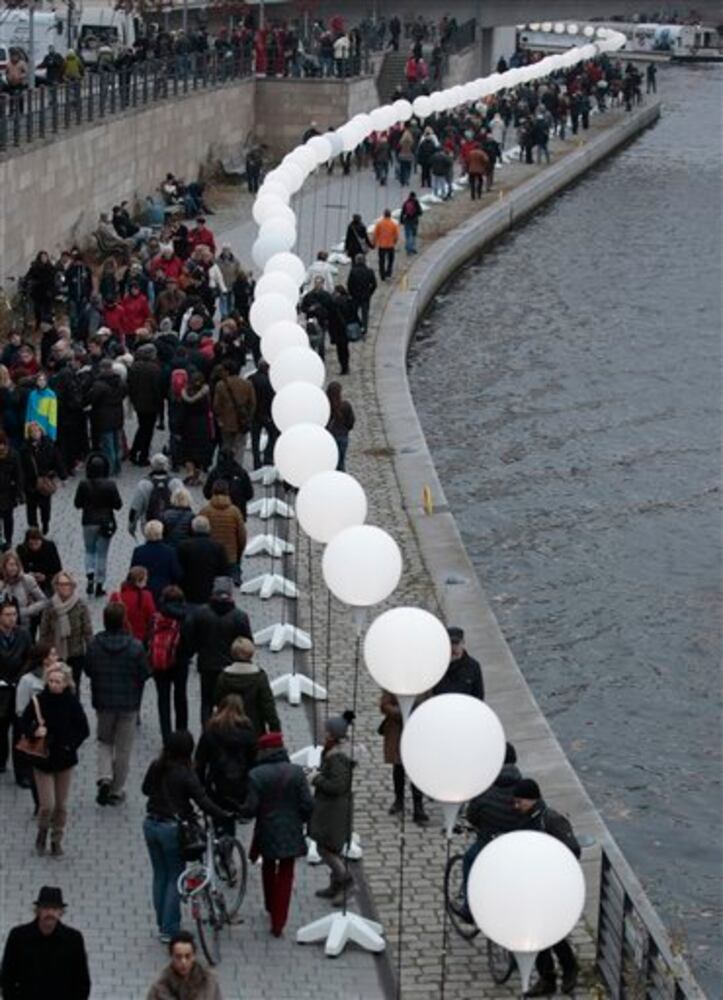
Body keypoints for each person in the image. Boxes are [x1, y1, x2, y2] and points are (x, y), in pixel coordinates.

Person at [142, 731, 232, 943]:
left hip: (151, 824)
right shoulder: (185, 773)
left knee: (160, 875)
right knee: (175, 877)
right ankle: (170, 929)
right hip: (172, 828)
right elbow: (203, 801)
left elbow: (145, 789)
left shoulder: (156, 766)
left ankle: (162, 922)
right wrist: (224, 814)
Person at [240, 730, 313, 936]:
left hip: (266, 828)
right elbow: (307, 804)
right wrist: (302, 819)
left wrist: (240, 811)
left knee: (268, 866)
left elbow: (251, 808)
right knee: (286, 873)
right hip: (291, 828)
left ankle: (270, 905)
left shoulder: (256, 775)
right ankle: (279, 921)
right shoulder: (296, 772)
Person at [513, 778, 581, 995]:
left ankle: (569, 968)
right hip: (532, 884)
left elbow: (573, 850)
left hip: (551, 885)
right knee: (535, 932)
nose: (516, 806)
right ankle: (547, 977)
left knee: (552, 932)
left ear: (532, 799)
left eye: (519, 801)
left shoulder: (551, 819)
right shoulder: (524, 818)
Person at [20, 662, 89, 856]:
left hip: (64, 760)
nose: (54, 685)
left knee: (61, 805)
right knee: (47, 805)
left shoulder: (72, 702)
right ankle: (42, 831)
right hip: (43, 760)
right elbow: (23, 723)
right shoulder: (38, 701)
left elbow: (83, 729)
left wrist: (70, 745)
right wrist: (34, 731)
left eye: (58, 681)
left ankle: (56, 839)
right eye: (51, 681)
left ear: (66, 683)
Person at [85, 601, 150, 806]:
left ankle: (104, 775)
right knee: (123, 749)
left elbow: (88, 670)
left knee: (104, 741)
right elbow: (145, 672)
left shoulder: (95, 645)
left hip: (103, 702)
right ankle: (116, 789)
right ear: (123, 621)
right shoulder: (135, 646)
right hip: (128, 704)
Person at [451, 743, 522, 924]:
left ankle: (469, 908)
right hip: (518, 843)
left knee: (469, 860)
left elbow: (472, 816)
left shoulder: (484, 788)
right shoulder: (525, 785)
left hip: (490, 841)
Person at [179, 576, 252, 725]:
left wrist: (192, 652)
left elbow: (190, 638)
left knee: (206, 702)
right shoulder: (239, 616)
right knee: (228, 702)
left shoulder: (200, 613)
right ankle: (226, 729)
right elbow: (247, 642)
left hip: (207, 665)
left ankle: (207, 732)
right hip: (231, 667)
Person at [0, 886, 91, 1000]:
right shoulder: (18, 937)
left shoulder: (73, 939)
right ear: (38, 910)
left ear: (61, 912)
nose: (50, 912)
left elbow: (82, 982)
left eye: (55, 908)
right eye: (46, 907)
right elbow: (7, 978)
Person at [309, 712, 355, 905]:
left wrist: (316, 779)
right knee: (329, 847)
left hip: (334, 810)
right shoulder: (334, 752)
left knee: (326, 848)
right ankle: (335, 884)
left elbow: (337, 786)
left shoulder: (338, 758)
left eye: (326, 731)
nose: (323, 733)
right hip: (331, 808)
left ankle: (346, 881)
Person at [195, 693, 256, 828]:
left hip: (216, 784)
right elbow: (254, 762)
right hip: (240, 785)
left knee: (219, 820)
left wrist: (201, 787)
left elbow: (200, 762)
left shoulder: (210, 731)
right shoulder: (248, 733)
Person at [73, 451, 123, 597]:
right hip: (105, 522)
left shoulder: (83, 484)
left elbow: (77, 504)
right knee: (102, 554)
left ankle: (90, 574)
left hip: (88, 521)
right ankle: (100, 584)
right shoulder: (110, 484)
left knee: (89, 550)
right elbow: (118, 505)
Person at [214, 637, 280, 739]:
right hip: (254, 729)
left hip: (228, 727)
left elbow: (218, 701)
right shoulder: (259, 677)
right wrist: (275, 729)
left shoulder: (223, 676)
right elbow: (267, 705)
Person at [38, 572, 93, 696]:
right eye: (61, 584)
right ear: (56, 586)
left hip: (76, 654)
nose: (64, 587)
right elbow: (44, 631)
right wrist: (43, 654)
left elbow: (87, 631)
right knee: (54, 686)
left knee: (74, 687)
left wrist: (91, 652)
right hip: (55, 655)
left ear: (72, 586)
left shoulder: (80, 605)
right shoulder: (50, 606)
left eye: (67, 584)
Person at [379, 691, 429, 824]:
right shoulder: (393, 685)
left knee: (416, 769)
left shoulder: (425, 685)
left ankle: (418, 806)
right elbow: (384, 705)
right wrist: (401, 713)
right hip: (397, 730)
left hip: (418, 729)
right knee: (399, 766)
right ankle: (399, 800)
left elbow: (430, 703)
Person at [148, 585, 188, 743]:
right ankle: (181, 733)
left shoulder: (156, 618)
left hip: (160, 663)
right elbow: (191, 641)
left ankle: (166, 736)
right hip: (180, 663)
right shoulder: (186, 618)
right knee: (180, 697)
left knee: (163, 699)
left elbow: (148, 638)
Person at [0, 601, 32, 777]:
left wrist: (20, 677)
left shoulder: (23, 634)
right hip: (1, 688)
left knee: (20, 730)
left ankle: (21, 772)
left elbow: (30, 658)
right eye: (7, 615)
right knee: (1, 727)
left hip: (19, 687)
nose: (12, 618)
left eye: (14, 614)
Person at [146, 931, 223, 1000]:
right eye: (178, 957)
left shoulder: (208, 982)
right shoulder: (159, 989)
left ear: (194, 956)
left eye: (187, 956)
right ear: (171, 956)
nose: (183, 962)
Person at [21, 421, 66, 535]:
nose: (35, 433)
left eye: (37, 431)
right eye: (32, 432)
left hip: (45, 480)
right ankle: (34, 527)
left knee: (45, 507)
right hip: (30, 482)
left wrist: (63, 476)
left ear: (41, 431)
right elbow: (21, 467)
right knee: (31, 508)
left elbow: (57, 460)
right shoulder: (24, 448)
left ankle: (45, 523)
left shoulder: (49, 445)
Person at [199, 480, 246, 585]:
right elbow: (242, 536)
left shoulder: (205, 511)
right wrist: (238, 552)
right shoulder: (235, 511)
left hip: (210, 556)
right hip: (230, 557)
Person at [176, 516, 228, 606]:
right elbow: (223, 571)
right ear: (208, 528)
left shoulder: (183, 546)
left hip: (189, 590)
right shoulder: (218, 547)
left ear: (192, 528)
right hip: (210, 590)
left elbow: (179, 570)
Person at [128, 454, 183, 538]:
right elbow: (184, 504)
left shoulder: (144, 484)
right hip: (172, 525)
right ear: (166, 466)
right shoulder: (176, 483)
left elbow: (135, 508)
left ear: (152, 466)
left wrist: (132, 526)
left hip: (150, 526)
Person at [127, 343, 164, 466]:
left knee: (142, 427)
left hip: (138, 403)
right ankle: (143, 455)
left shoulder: (134, 367)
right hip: (151, 404)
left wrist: (133, 399)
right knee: (147, 430)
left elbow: (130, 385)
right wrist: (159, 404)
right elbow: (157, 389)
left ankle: (134, 452)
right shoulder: (155, 369)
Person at [130, 520, 182, 605]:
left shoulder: (138, 551)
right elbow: (176, 574)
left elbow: (133, 572)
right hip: (163, 591)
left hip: (143, 592)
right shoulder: (170, 551)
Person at [432, 625, 484, 699]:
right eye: (450, 643)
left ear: (463, 643)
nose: (453, 647)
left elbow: (478, 696)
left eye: (456, 643)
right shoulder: (437, 666)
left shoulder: (473, 666)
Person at [180, 371, 213, 485]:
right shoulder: (205, 394)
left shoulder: (185, 394)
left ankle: (190, 471)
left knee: (188, 451)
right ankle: (196, 477)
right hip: (202, 424)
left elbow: (182, 411)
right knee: (200, 451)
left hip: (188, 424)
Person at [0, 550, 47, 631]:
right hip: (5, 630)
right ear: (4, 566)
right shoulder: (2, 584)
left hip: (25, 627)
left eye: (16, 564)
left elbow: (44, 601)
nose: (14, 568)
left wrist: (27, 611)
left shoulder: (27, 580)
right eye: (11, 565)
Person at [109, 566, 156, 644]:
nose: (146, 583)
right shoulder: (146, 596)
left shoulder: (116, 596)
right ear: (138, 582)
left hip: (118, 638)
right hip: (139, 639)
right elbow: (151, 618)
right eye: (145, 580)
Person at [203, 447, 253, 520]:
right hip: (239, 513)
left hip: (216, 514)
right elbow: (249, 494)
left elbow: (206, 493)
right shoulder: (242, 472)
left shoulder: (214, 473)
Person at [16, 527, 62, 598]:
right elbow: (19, 568)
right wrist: (31, 575)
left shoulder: (50, 547)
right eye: (31, 544)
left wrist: (46, 577)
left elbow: (57, 568)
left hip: (48, 579)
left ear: (41, 541)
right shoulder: (22, 550)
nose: (34, 547)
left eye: (36, 543)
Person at [0, 431, 24, 551]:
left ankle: (8, 539)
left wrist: (19, 494)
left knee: (8, 518)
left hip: (8, 492)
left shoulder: (13, 455)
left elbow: (19, 475)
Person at [326, 381, 355, 472]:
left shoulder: (326, 407)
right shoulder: (346, 406)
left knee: (331, 463)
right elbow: (350, 423)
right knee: (341, 463)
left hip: (330, 438)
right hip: (342, 437)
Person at [25, 372, 58, 442]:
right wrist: (26, 432)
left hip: (46, 427)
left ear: (46, 381)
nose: (42, 382)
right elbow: (28, 412)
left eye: (43, 380)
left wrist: (52, 433)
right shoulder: (32, 394)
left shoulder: (51, 394)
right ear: (36, 382)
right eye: (39, 380)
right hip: (33, 428)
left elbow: (53, 415)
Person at [373, 208, 400, 282]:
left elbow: (375, 234)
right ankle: (388, 274)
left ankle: (382, 276)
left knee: (381, 261)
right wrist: (395, 241)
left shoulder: (379, 223)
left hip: (381, 245)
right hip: (390, 245)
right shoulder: (393, 224)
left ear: (384, 215)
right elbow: (396, 235)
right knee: (390, 260)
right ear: (390, 215)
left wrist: (374, 243)